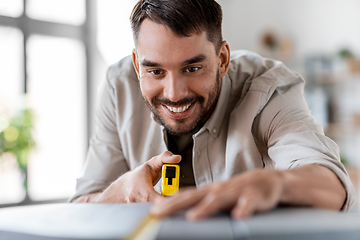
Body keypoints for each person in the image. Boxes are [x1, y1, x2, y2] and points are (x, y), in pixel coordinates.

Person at [70, 0, 355, 220]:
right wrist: (121, 192)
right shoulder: (118, 85)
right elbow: (79, 211)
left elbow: (333, 186)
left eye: (192, 68)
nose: (174, 93)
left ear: (222, 59)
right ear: (136, 65)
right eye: (155, 71)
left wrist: (275, 183)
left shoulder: (268, 86)